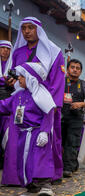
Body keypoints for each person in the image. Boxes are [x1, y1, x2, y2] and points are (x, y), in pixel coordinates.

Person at [7, 17, 65, 185]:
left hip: (45, 103)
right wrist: (12, 82)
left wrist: (53, 105)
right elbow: (16, 76)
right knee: (18, 138)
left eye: (30, 27)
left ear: (38, 30)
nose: (26, 31)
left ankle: (48, 175)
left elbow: (58, 80)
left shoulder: (54, 52)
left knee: (46, 140)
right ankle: (18, 176)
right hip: (22, 102)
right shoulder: (17, 52)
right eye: (24, 28)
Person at [0, 62, 56, 196]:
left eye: (22, 76)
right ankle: (32, 189)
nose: (19, 79)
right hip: (23, 135)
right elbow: (4, 105)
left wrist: (45, 132)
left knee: (39, 160)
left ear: (31, 77)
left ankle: (46, 187)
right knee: (24, 161)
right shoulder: (18, 95)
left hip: (38, 134)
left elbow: (48, 113)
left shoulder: (41, 95)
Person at [61, 59, 85, 178]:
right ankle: (70, 164)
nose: (75, 69)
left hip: (76, 118)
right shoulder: (61, 81)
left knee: (72, 142)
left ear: (80, 71)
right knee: (61, 142)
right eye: (72, 67)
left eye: (78, 68)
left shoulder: (84, 84)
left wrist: (80, 104)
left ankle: (68, 167)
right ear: (68, 69)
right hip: (61, 116)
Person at [0, 40, 13, 170]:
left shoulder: (13, 65)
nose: (5, 51)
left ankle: (5, 162)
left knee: (7, 133)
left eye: (8, 48)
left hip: (8, 102)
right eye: (2, 48)